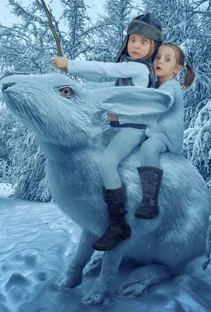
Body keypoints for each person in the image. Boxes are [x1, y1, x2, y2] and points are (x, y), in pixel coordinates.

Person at [52, 13, 163, 251]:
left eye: (144, 42)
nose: (136, 46)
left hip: (133, 129)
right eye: (134, 40)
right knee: (88, 147)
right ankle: (98, 204)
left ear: (153, 47)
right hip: (118, 127)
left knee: (106, 163)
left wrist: (70, 65)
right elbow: (101, 82)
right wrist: (76, 86)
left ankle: (118, 225)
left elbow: (105, 70)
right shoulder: (128, 70)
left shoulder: (139, 70)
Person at [109, 43, 195, 219]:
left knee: (149, 148)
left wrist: (121, 119)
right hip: (155, 131)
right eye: (158, 57)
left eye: (167, 59)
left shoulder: (170, 88)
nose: (160, 61)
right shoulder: (158, 86)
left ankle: (150, 200)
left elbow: (150, 114)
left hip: (166, 137)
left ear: (177, 68)